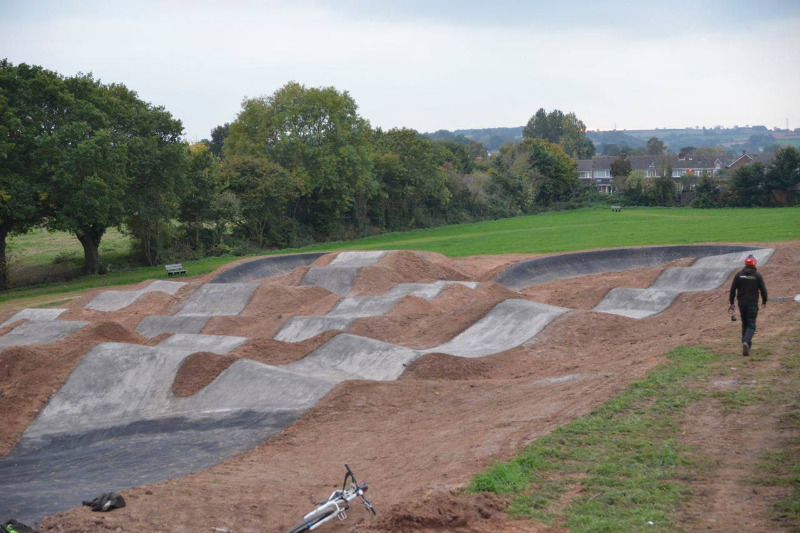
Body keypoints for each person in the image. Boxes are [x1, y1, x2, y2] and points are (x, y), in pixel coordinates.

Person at [728, 254, 768, 356]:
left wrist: (732, 302)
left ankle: (746, 346)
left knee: (744, 323)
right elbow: (763, 290)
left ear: (746, 263)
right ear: (754, 263)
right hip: (752, 304)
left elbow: (732, 289)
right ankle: (746, 341)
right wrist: (764, 301)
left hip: (742, 303)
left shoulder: (739, 275)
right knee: (751, 324)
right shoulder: (757, 276)